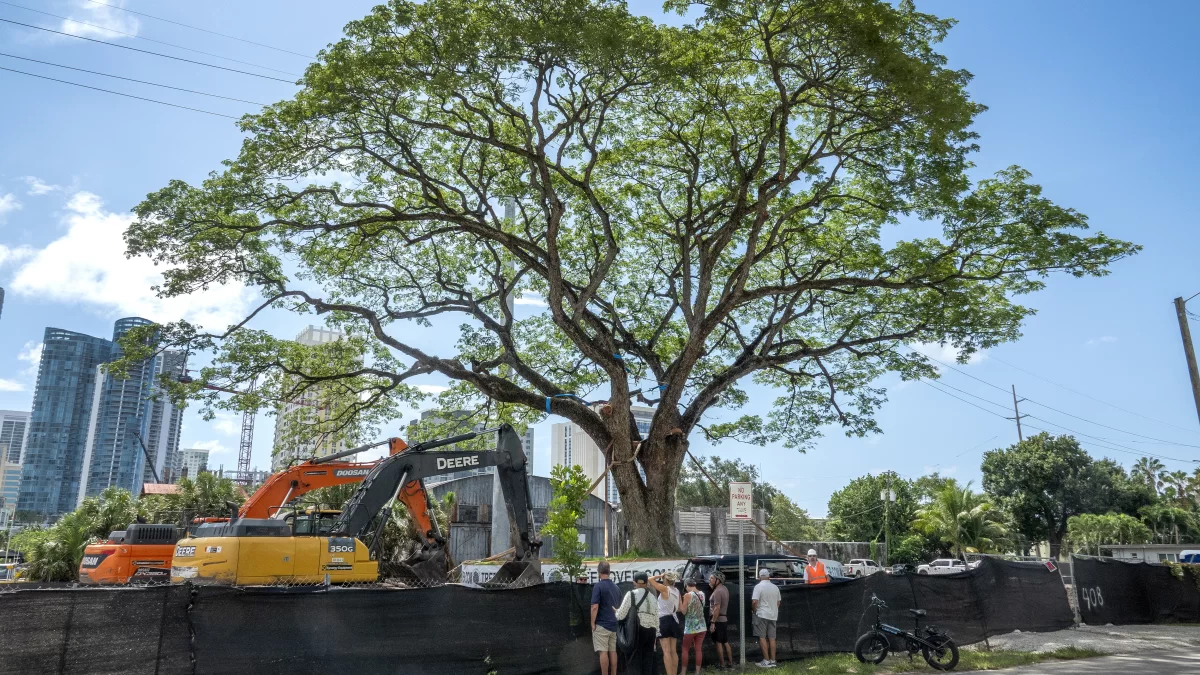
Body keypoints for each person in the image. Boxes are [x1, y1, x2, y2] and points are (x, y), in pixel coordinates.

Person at [617, 571, 659, 675]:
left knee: (634, 661)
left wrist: (616, 612)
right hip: (652, 631)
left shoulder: (631, 594)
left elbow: (620, 615)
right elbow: (657, 617)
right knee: (647, 662)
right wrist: (656, 635)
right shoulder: (653, 597)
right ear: (646, 583)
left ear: (634, 582)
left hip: (637, 630)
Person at [649, 570, 683, 675]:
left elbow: (650, 579)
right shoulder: (676, 591)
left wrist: (660, 575)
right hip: (673, 619)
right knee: (673, 650)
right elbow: (680, 608)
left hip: (663, 620)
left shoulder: (664, 589)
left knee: (666, 651)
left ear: (666, 579)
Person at [591, 560, 621, 675]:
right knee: (613, 651)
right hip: (614, 625)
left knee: (603, 652)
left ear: (599, 571)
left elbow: (594, 606)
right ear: (609, 571)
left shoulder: (598, 586)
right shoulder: (616, 588)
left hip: (602, 625)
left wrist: (592, 623)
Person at [751, 568, 781, 668]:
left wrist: (755, 611)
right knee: (772, 638)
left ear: (760, 577)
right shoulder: (775, 587)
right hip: (773, 615)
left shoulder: (758, 587)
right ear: (769, 576)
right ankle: (773, 660)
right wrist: (773, 610)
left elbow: (755, 601)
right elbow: (778, 603)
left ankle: (766, 661)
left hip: (761, 614)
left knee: (762, 637)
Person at [680, 578, 707, 675]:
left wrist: (680, 601)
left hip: (690, 628)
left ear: (687, 585)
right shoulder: (702, 594)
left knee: (685, 649)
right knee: (698, 649)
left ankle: (683, 672)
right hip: (702, 626)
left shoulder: (687, 595)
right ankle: (697, 672)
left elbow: (683, 611)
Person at [708, 571, 733, 670]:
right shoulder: (724, 589)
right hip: (724, 619)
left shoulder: (718, 591)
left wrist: (713, 623)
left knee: (718, 643)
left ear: (717, 580)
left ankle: (722, 665)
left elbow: (717, 608)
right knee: (725, 642)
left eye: (711, 578)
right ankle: (730, 663)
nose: (710, 580)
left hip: (718, 620)